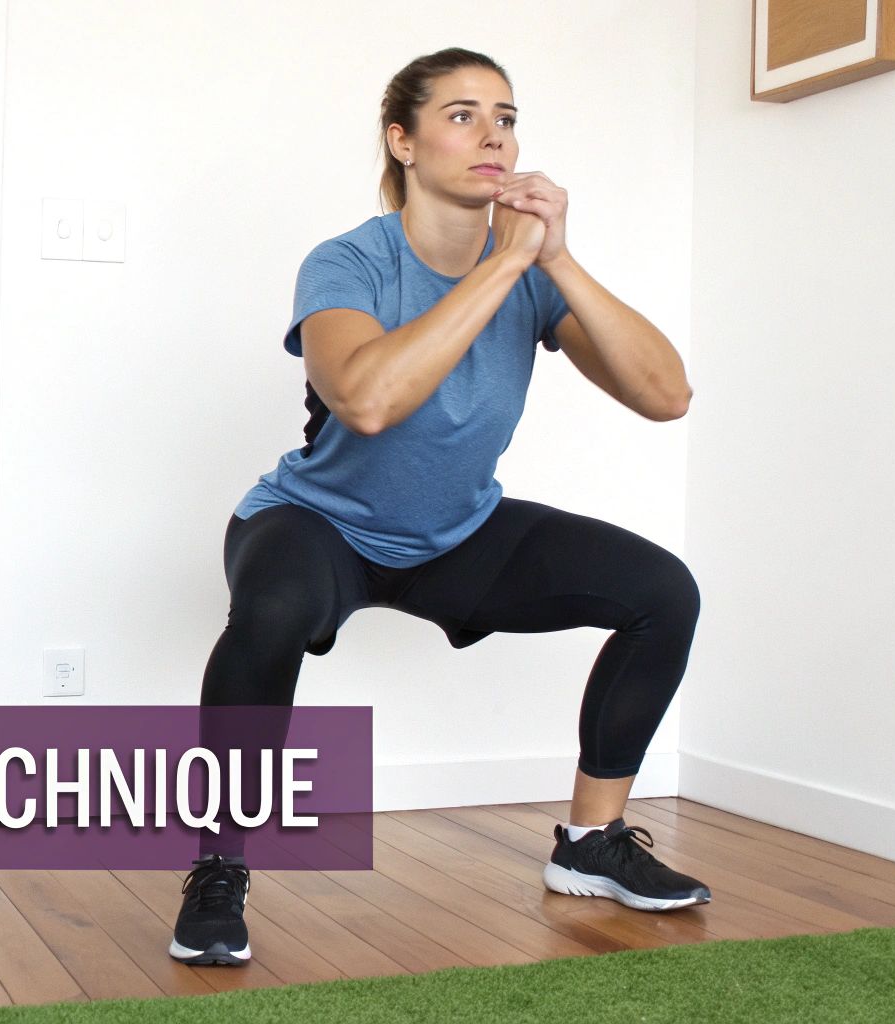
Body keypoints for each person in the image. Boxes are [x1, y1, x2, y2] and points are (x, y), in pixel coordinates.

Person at [168, 47, 710, 968]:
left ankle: (591, 844)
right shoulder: (348, 261)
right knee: (269, 612)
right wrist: (501, 270)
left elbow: (667, 395)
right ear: (403, 140)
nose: (493, 133)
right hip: (320, 524)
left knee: (664, 592)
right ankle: (219, 866)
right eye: (461, 115)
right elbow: (369, 399)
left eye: (505, 116)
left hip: (456, 532)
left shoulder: (536, 273)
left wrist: (559, 261)